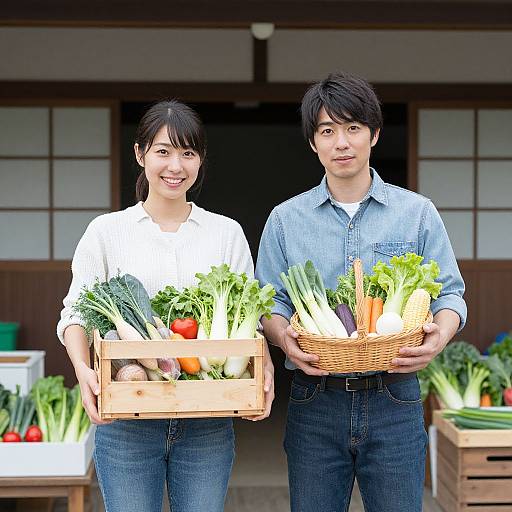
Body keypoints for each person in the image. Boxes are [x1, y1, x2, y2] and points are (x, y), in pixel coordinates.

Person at [255, 72, 466, 512]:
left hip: (396, 394)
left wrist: (438, 340)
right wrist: (283, 340)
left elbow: (450, 295)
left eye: (352, 127)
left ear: (373, 133)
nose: (341, 142)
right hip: (316, 398)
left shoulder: (417, 213)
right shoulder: (285, 219)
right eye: (327, 131)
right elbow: (269, 303)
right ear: (314, 143)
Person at [57, 100, 274, 512]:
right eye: (163, 151)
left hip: (208, 417)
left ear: (200, 161)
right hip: (128, 415)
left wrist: (261, 366)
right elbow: (75, 315)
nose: (175, 166)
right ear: (140, 155)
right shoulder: (107, 232)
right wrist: (83, 370)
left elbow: (253, 323)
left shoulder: (225, 233)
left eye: (188, 153)